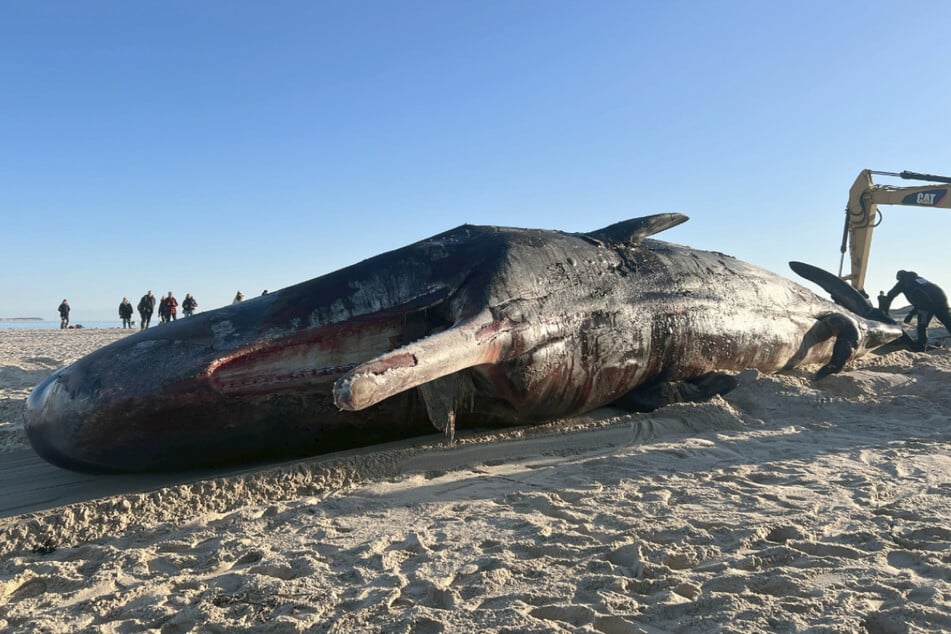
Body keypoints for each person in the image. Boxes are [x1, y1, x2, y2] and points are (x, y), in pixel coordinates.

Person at [881, 270, 951, 351]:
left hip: (927, 304)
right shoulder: (919, 280)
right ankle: (921, 344)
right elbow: (922, 299)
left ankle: (921, 346)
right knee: (948, 322)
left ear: (900, 278)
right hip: (941, 300)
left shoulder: (904, 282)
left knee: (922, 326)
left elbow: (891, 294)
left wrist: (885, 310)